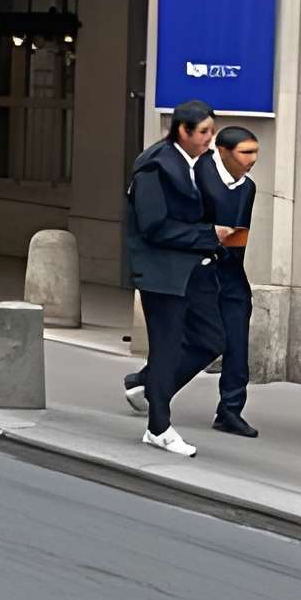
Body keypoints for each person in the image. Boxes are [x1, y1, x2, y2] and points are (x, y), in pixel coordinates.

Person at [123, 100, 236, 456]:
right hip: (162, 273)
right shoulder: (155, 167)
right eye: (204, 132)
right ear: (182, 131)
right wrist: (209, 235)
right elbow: (154, 227)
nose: (209, 139)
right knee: (167, 348)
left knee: (212, 339)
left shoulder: (198, 163)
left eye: (212, 132)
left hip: (195, 268)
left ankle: (147, 382)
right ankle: (158, 427)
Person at [194, 124, 259, 437]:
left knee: (236, 342)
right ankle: (149, 381)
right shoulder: (198, 177)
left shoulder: (248, 188)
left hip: (232, 273)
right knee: (195, 341)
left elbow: (241, 231)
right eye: (246, 152)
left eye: (255, 152)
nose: (253, 158)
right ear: (224, 152)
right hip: (200, 269)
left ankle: (230, 410)